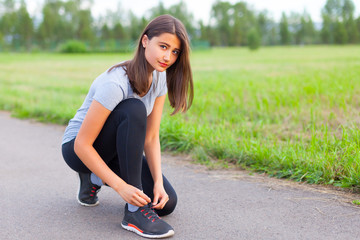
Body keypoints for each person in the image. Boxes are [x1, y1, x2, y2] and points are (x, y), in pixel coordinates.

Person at [61, 14, 193, 239]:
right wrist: (122, 187)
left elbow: (150, 137)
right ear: (144, 41)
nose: (168, 57)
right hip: (79, 148)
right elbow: (82, 144)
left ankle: (92, 179)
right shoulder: (116, 82)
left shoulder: (159, 78)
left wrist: (158, 183)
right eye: (163, 46)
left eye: (174, 51)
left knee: (166, 203)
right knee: (133, 108)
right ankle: (133, 213)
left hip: (114, 148)